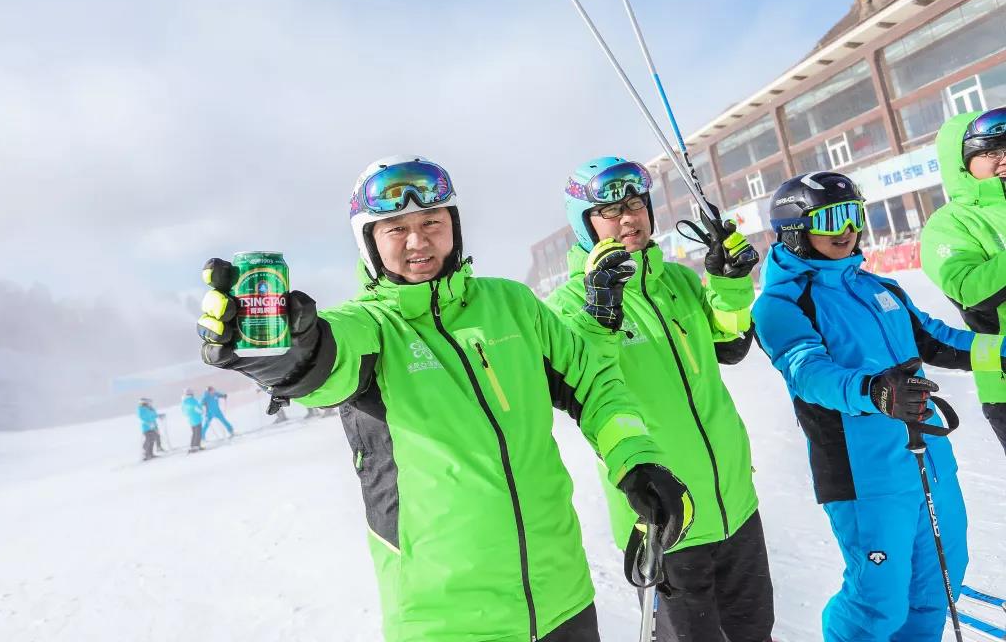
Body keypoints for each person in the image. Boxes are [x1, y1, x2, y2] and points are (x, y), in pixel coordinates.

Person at [196, 154, 693, 642]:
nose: (419, 240)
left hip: (562, 598)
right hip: (446, 622)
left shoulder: (512, 305)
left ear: (453, 224)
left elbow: (593, 382)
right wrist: (281, 353)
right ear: (370, 241)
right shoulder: (371, 327)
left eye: (433, 221)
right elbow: (324, 360)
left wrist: (637, 462)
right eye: (395, 228)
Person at [753, 170, 1002, 642]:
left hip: (927, 461)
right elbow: (808, 372)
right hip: (863, 474)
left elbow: (939, 340)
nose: (846, 230)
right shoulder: (781, 304)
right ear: (794, 228)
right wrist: (875, 391)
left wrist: (1004, 351)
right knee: (877, 603)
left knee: (938, 587)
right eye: (829, 219)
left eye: (851, 215)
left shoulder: (877, 289)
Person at [546, 157, 774, 642]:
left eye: (634, 205)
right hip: (666, 514)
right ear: (584, 225)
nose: (627, 218)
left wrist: (730, 282)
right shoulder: (568, 306)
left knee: (756, 633)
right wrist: (599, 313)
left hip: (735, 502)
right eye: (609, 211)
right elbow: (578, 385)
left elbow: (730, 344)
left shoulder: (679, 282)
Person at [920, 108, 1006, 454]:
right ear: (962, 162)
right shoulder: (949, 224)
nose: (1004, 159)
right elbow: (971, 290)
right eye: (990, 152)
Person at [181, 388, 204, 453]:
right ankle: (196, 445)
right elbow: (197, 407)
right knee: (198, 432)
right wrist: (201, 411)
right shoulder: (192, 400)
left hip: (191, 419)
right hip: (196, 418)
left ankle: (193, 445)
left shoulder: (184, 401)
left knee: (194, 432)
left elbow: (183, 411)